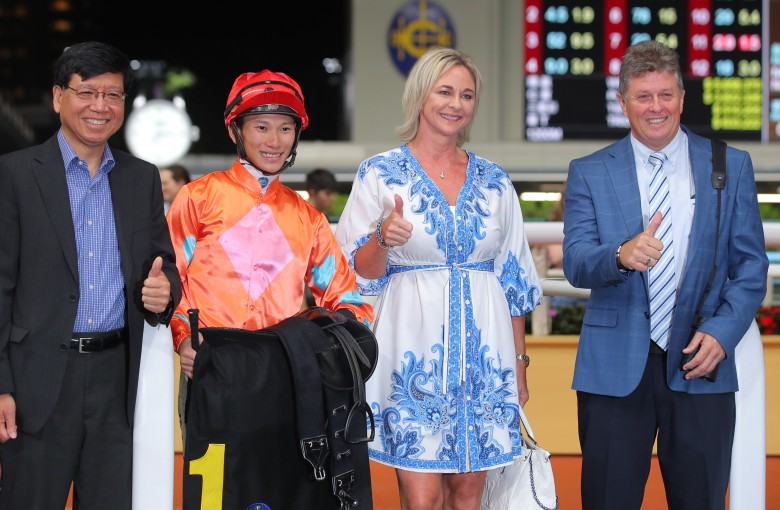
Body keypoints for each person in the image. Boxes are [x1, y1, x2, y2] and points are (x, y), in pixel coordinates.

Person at [562, 40, 768, 510]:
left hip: (702, 362)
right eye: (643, 96)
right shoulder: (589, 171)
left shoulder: (729, 165)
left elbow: (751, 264)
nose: (656, 108)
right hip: (614, 371)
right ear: (623, 102)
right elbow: (575, 261)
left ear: (681, 96)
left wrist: (722, 333)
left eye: (665, 95)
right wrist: (619, 254)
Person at [336, 46, 543, 509]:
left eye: (466, 95)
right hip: (413, 362)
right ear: (420, 96)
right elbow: (355, 273)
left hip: (487, 364)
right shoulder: (380, 174)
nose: (455, 103)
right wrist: (383, 239)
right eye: (445, 91)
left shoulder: (495, 181)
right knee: (422, 497)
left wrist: (521, 364)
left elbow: (515, 280)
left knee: (469, 494)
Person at [0, 41, 181, 509]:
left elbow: (165, 269)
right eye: (87, 92)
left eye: (113, 95)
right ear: (58, 96)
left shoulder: (141, 178)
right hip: (36, 381)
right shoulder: (15, 175)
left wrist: (165, 293)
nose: (100, 106)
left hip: (116, 383)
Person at [166, 69, 373, 447]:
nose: (274, 141)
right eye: (261, 126)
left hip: (285, 375)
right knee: (213, 499)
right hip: (211, 366)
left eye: (285, 128)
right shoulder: (196, 198)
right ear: (235, 131)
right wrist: (183, 339)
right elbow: (171, 280)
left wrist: (317, 347)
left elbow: (350, 303)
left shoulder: (308, 218)